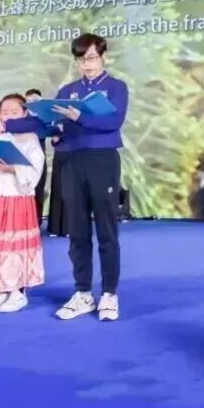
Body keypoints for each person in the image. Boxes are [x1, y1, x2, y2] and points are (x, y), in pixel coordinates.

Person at [45, 34, 128, 321]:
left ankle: (109, 293)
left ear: (104, 57)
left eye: (92, 58)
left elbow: (114, 122)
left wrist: (79, 117)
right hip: (72, 161)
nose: (87, 64)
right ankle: (82, 292)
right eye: (81, 59)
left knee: (106, 229)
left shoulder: (116, 87)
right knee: (77, 230)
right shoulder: (68, 90)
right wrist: (56, 136)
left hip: (103, 160)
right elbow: (60, 128)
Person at [0, 94, 46, 313]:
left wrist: (13, 168)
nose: (8, 116)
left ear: (25, 114)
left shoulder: (30, 138)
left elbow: (36, 169)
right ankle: (0, 289)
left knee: (15, 245)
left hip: (18, 198)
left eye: (14, 112)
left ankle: (17, 291)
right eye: (4, 112)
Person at [24, 89, 51, 225]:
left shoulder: (46, 117)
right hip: (23, 159)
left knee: (38, 189)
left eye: (34, 100)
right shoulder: (21, 116)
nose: (31, 103)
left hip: (39, 159)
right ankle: (23, 221)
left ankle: (36, 222)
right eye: (28, 101)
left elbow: (46, 132)